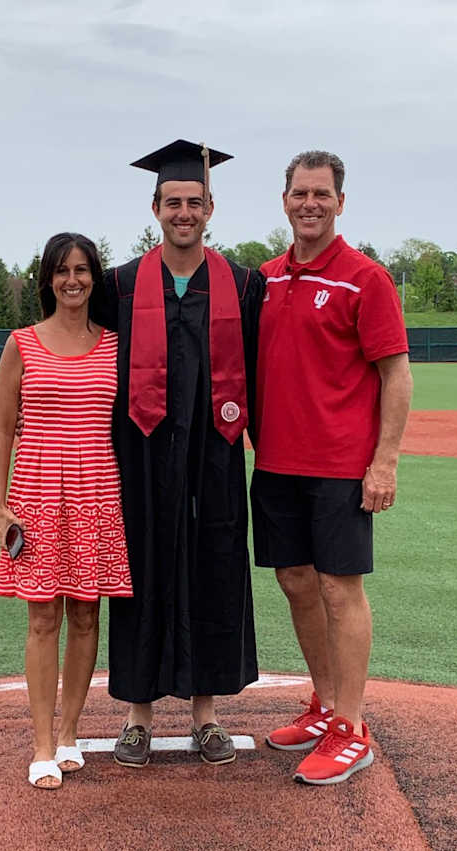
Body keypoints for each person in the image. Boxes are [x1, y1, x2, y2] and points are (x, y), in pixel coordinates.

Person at [90, 140, 265, 768]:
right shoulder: (118, 285)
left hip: (215, 453)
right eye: (173, 202)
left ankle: (206, 714)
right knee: (139, 569)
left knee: (215, 565)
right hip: (141, 455)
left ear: (210, 208)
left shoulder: (243, 284)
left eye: (195, 202)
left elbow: (262, 370)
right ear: (155, 208)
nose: (184, 212)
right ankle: (137, 717)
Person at [252, 150, 413, 785]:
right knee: (294, 579)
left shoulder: (366, 279)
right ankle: (323, 705)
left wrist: (385, 462)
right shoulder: (265, 279)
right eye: (300, 193)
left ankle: (351, 726)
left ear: (340, 202)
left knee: (340, 590)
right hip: (276, 462)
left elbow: (396, 375)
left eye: (322, 193)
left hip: (341, 466)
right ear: (284, 201)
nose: (310, 203)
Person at [0, 232, 132, 789]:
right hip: (37, 492)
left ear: (94, 277)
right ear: (47, 280)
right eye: (61, 271)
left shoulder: (115, 345)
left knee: (87, 616)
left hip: (97, 490)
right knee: (43, 618)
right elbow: (2, 430)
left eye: (82, 270)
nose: (72, 280)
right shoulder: (21, 344)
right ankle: (42, 744)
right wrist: (0, 507)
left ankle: (70, 733)